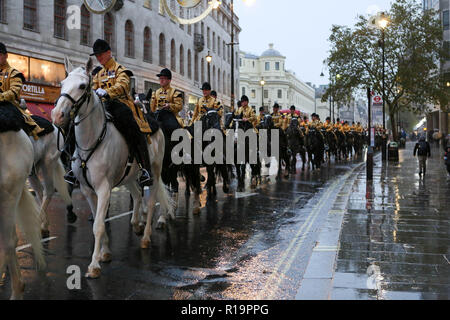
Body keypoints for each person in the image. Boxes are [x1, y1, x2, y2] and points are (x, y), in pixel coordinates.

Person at [80, 39, 153, 186]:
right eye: (97, 56)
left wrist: (107, 92)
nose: (99, 58)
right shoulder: (98, 74)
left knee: (133, 130)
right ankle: (74, 166)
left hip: (120, 105)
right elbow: (93, 87)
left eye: (101, 55)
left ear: (108, 53)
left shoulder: (121, 70)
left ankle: (145, 169)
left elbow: (123, 86)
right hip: (102, 106)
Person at [0, 42, 44, 139]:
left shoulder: (14, 73)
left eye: (0, 55)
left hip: (10, 105)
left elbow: (14, 92)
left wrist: (1, 97)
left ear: (6, 56)